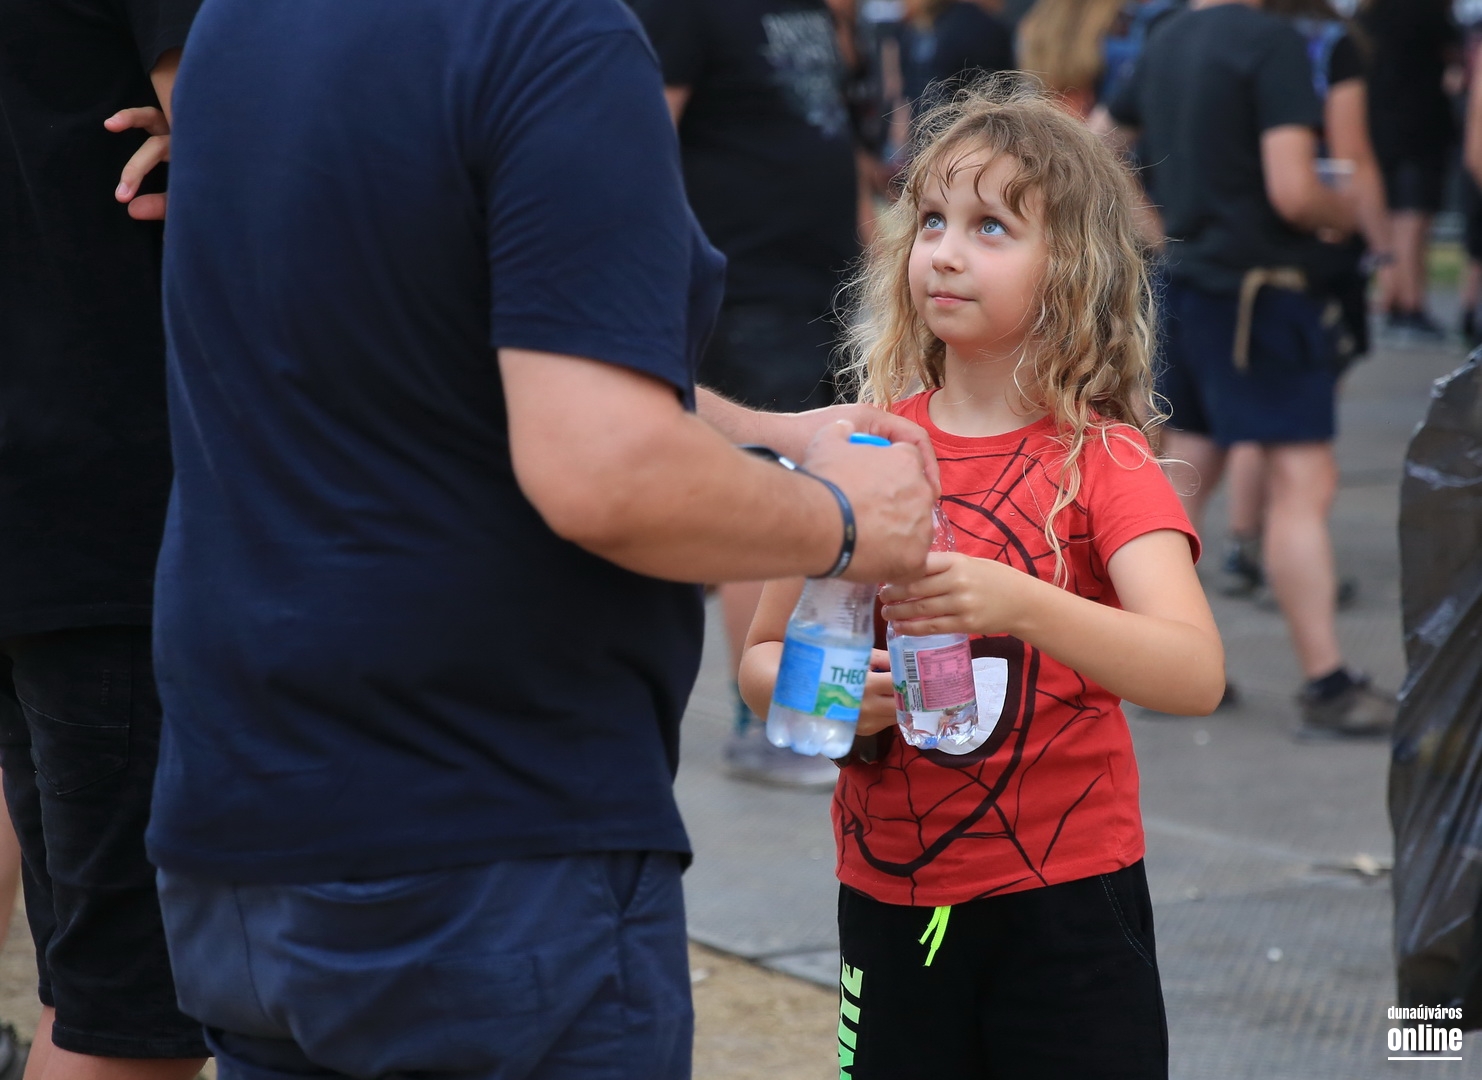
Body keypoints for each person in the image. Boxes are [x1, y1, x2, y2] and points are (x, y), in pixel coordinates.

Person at [145, 0, 939, 1077]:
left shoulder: (242, 22)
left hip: (244, 813)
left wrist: (779, 436)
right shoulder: (556, 36)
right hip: (478, 830)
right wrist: (845, 523)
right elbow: (602, 470)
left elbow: (463, 354)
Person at [742, 78, 1225, 1077]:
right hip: (887, 893)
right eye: (931, 220)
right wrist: (836, 697)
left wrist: (1022, 604)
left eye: (992, 227)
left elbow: (1193, 672)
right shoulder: (861, 450)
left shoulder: (1104, 462)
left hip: (1068, 906)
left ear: (1073, 269)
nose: (946, 251)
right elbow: (760, 661)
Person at [0, 0, 211, 1077]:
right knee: (134, 1019)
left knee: (94, 988)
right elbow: (273, 158)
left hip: (60, 503)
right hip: (121, 514)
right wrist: (234, 142)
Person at [1108, 0, 1396, 740]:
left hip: (1190, 290)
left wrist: (1158, 231)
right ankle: (1327, 681)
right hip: (1261, 299)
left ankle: (1154, 658)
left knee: (1186, 470)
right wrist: (1348, 215)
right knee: (1302, 482)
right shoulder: (1270, 43)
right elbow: (1293, 190)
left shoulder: (1165, 37)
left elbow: (1099, 143)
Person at [630, 0, 867, 788]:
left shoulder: (809, 9)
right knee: (764, 494)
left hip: (823, 286)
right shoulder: (684, 9)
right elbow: (638, 143)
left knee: (824, 484)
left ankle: (804, 708)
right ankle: (766, 724)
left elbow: (827, 132)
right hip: (744, 290)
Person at [1217, 0, 1393, 601]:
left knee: (1252, 411)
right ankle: (1288, 567)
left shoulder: (1228, 37)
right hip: (1310, 253)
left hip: (1234, 252)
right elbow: (1351, 154)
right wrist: (1380, 244)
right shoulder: (1324, 44)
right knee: (1302, 442)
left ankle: (1244, 543)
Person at [1357, 0, 1462, 342]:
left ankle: (1392, 293)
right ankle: (1410, 301)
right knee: (1413, 217)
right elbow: (1455, 52)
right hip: (1420, 126)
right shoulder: (1425, 11)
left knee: (1390, 214)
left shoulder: (1370, 13)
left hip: (1377, 124)